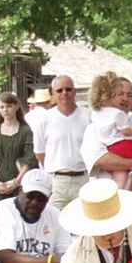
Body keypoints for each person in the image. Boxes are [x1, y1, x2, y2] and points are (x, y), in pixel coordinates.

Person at [33, 75, 92, 211]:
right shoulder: (45, 119)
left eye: (68, 89)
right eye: (59, 90)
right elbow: (39, 153)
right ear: (53, 94)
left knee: (83, 226)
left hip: (83, 179)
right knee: (54, 225)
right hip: (56, 183)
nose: (64, 93)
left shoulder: (88, 116)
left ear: (74, 91)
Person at [87, 72, 132, 189]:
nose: (124, 98)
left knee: (121, 175)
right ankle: (120, 190)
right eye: (120, 94)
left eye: (129, 95)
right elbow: (101, 160)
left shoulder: (96, 114)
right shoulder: (92, 129)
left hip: (112, 148)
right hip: (104, 191)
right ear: (110, 96)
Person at [0, 91, 37, 203]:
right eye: (2, 107)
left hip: (20, 183)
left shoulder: (25, 131)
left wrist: (16, 182)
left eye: (9, 106)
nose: (5, 110)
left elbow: (30, 159)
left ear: (16, 106)